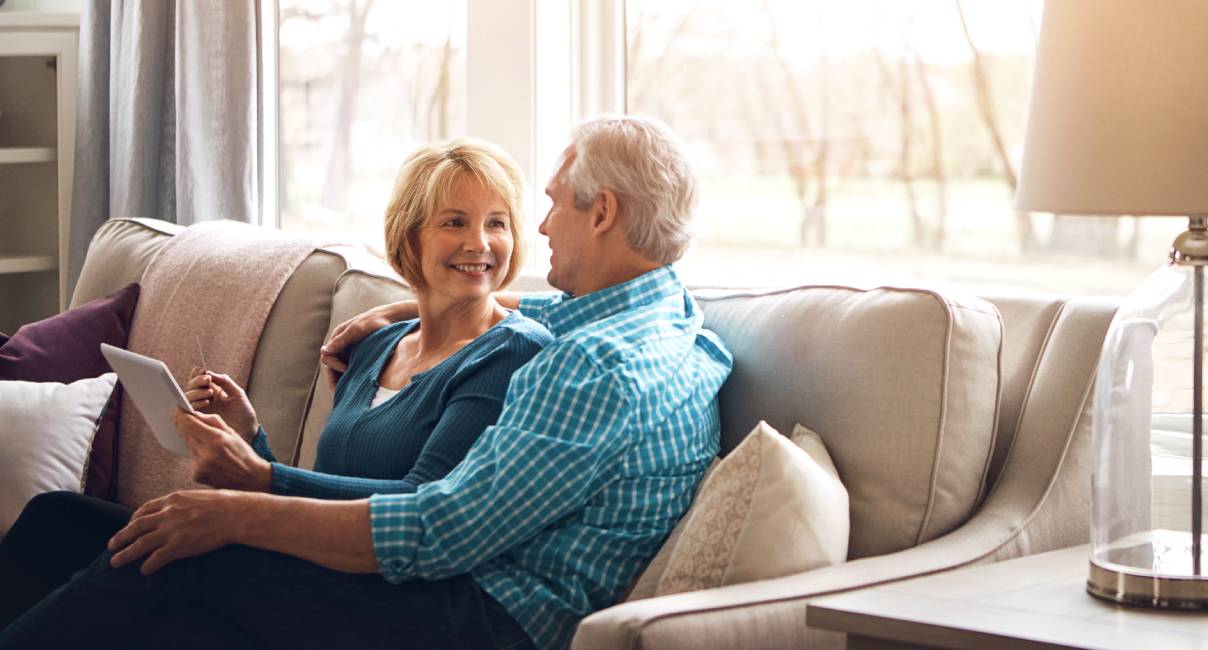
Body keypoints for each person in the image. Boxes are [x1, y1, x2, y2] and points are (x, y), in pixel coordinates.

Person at [0, 115, 732, 650]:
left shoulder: (589, 367)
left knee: (188, 554)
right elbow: (542, 311)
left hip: (481, 618)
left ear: (602, 212)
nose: (541, 229)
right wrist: (404, 307)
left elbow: (440, 529)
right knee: (65, 519)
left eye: (548, 205)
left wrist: (237, 508)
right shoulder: (675, 321)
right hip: (455, 590)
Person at [0, 138, 551, 633]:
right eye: (455, 222)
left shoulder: (508, 353)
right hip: (317, 559)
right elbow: (335, 485)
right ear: (409, 236)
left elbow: (421, 504)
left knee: (178, 554)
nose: (480, 242)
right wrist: (250, 439)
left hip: (399, 589)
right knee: (59, 516)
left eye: (497, 223)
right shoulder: (379, 344)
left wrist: (259, 476)